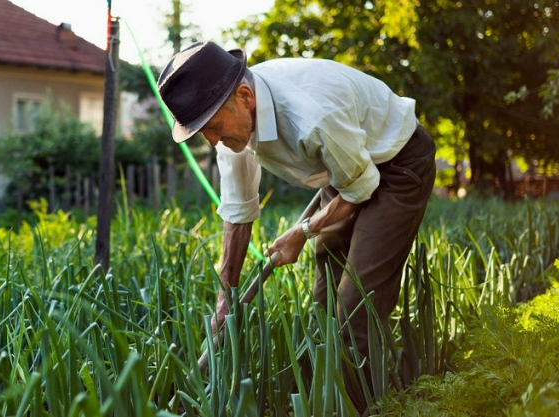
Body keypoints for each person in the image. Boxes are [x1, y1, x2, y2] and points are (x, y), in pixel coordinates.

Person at [157, 40, 436, 412]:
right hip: (345, 171)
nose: (211, 140)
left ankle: (364, 407)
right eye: (201, 132)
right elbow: (238, 215)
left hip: (397, 163)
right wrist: (227, 297)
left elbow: (362, 188)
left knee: (356, 307)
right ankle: (316, 400)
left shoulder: (310, 116)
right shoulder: (229, 130)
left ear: (245, 96)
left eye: (212, 127)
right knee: (325, 303)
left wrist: (302, 233)